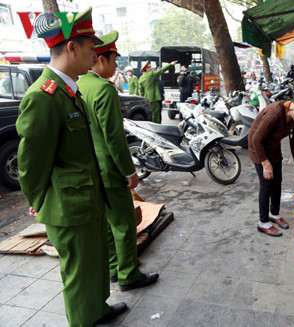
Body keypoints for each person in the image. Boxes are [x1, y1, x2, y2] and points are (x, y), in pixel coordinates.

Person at [15, 7, 127, 326]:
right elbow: (31, 163)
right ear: (72, 47)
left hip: (85, 200)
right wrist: (38, 202)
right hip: (68, 206)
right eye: (91, 48)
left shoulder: (69, 90)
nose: (94, 56)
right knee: (79, 272)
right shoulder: (44, 96)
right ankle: (84, 320)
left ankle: (97, 310)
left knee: (93, 263)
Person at [77, 30, 159, 293]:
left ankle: (113, 268)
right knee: (124, 224)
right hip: (111, 170)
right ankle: (128, 275)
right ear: (100, 59)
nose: (115, 68)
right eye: (113, 61)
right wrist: (129, 172)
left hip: (93, 169)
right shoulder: (103, 89)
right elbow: (114, 138)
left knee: (108, 225)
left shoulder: (80, 86)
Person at [248, 94, 294, 237]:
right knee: (266, 183)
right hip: (258, 148)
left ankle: (274, 214)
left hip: (273, 148)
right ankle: (263, 222)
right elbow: (256, 139)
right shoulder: (274, 113)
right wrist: (265, 162)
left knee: (277, 181)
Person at [139, 59, 177, 124]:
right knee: (156, 115)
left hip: (147, 99)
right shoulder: (151, 74)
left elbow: (141, 91)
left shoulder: (141, 78)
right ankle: (156, 127)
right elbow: (161, 70)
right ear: (146, 69)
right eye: (149, 67)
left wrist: (143, 98)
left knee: (150, 114)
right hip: (154, 98)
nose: (151, 68)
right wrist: (171, 64)